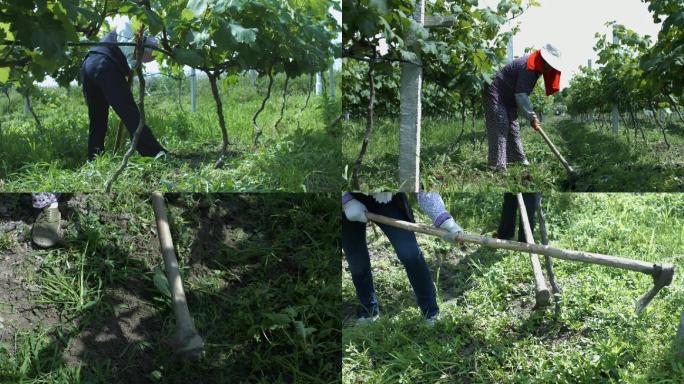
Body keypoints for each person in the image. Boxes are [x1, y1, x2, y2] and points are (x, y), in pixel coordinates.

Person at [342, 192, 463, 326]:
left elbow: (419, 184)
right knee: (357, 263)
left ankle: (431, 313)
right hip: (344, 201)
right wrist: (346, 200)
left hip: (386, 199)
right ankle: (369, 312)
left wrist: (444, 219)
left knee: (410, 254)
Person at [81, 20, 165, 160]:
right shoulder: (129, 23)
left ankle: (94, 159)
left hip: (89, 66)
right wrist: (135, 61)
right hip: (104, 65)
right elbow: (133, 58)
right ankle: (155, 154)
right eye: (149, 54)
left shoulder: (138, 34)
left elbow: (139, 57)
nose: (146, 60)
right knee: (129, 112)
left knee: (98, 117)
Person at [483, 44, 563, 171]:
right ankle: (497, 166)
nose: (550, 69)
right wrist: (532, 116)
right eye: (550, 65)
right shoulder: (528, 67)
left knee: (513, 128)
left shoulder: (536, 67)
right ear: (544, 60)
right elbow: (521, 95)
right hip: (497, 93)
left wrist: (530, 116)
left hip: (509, 98)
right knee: (501, 126)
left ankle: (518, 160)